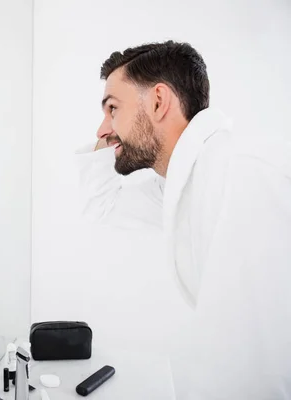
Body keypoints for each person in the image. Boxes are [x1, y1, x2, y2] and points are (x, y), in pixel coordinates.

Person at [91, 40, 291, 399]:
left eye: (112, 108)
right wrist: (108, 143)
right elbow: (103, 207)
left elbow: (260, 366)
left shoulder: (238, 174)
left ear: (157, 101)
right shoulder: (182, 181)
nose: (102, 129)